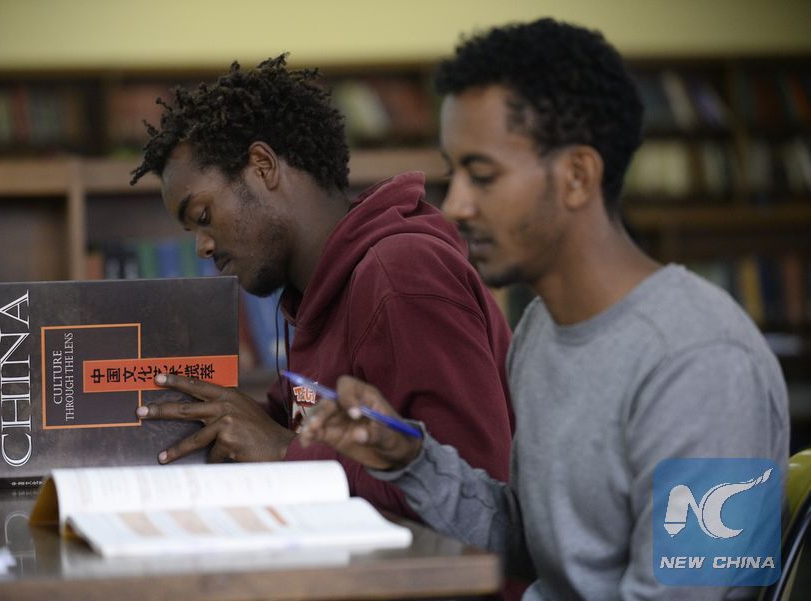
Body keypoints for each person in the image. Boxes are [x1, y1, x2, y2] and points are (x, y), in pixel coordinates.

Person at [300, 19, 789, 601]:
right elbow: (535, 543)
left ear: (577, 176)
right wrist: (409, 459)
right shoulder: (541, 331)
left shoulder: (704, 362)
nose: (455, 205)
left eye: (482, 176)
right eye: (455, 174)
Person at [129, 55, 515, 521]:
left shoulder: (401, 274)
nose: (203, 247)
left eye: (203, 216)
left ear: (262, 166)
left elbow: (478, 493)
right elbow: (289, 427)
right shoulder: (313, 298)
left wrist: (285, 454)